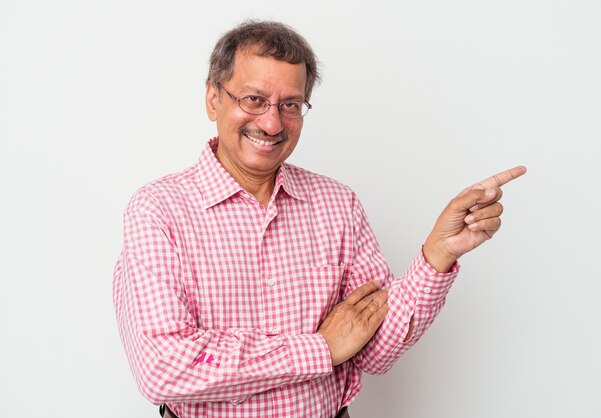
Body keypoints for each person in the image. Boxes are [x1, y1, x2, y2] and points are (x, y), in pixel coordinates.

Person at [113, 20, 526, 418]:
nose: (272, 122)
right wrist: (321, 348)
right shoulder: (158, 210)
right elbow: (163, 368)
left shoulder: (337, 205)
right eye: (253, 99)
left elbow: (374, 353)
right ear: (213, 99)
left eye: (289, 104)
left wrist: (438, 253)